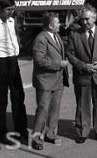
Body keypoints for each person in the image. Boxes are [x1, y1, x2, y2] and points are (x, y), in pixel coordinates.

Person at [65, 4, 97, 144]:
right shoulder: (75, 34)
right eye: (82, 19)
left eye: (87, 19)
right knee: (82, 105)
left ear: (94, 17)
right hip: (82, 75)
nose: (84, 22)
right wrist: (82, 65)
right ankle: (82, 131)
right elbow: (70, 53)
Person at [0, 0, 28, 145]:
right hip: (0, 62)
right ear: (0, 9)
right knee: (2, 99)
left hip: (13, 60)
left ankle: (21, 130)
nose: (11, 13)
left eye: (12, 9)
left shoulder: (11, 22)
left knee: (18, 96)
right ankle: (3, 133)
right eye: (8, 10)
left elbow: (14, 37)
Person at [31, 12, 69, 150]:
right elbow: (40, 60)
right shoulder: (40, 39)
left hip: (58, 80)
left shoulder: (56, 36)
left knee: (55, 108)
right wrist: (59, 63)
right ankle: (36, 138)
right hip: (45, 81)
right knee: (43, 110)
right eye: (57, 22)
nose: (60, 24)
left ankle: (51, 134)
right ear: (50, 24)